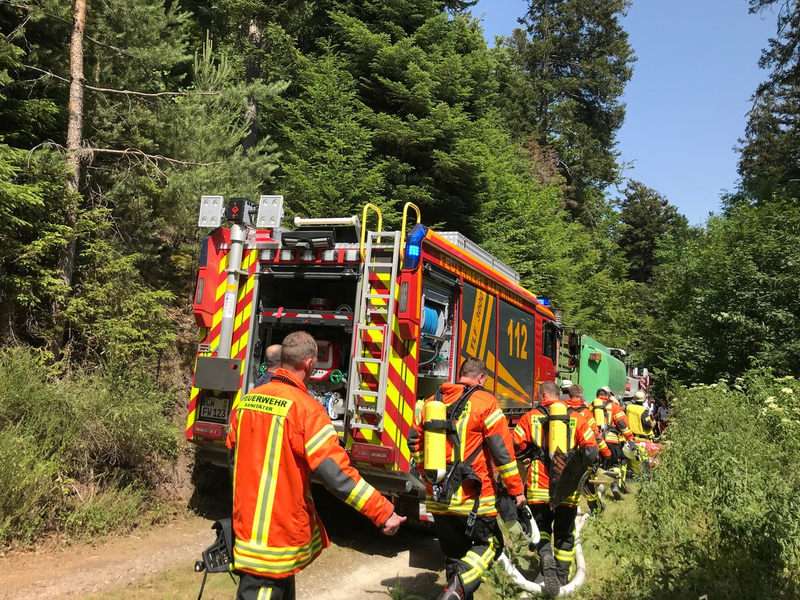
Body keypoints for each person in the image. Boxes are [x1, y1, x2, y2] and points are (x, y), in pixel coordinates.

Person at [226, 331, 405, 600]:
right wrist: (382, 512)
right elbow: (337, 474)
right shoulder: (306, 410)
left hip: (247, 529)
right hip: (275, 540)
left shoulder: (246, 402)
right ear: (310, 364)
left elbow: (233, 461)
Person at [408, 358, 525, 600]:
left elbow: (414, 442)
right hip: (474, 499)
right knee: (492, 545)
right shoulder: (486, 403)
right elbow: (502, 453)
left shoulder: (432, 402)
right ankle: (455, 590)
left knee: (455, 555)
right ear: (481, 378)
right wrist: (516, 490)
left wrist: (426, 474)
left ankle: (455, 592)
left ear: (461, 375)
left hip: (439, 497)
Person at [513, 381, 600, 597]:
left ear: (543, 396)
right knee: (565, 533)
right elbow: (591, 450)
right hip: (567, 488)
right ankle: (561, 578)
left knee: (541, 528)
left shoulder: (530, 417)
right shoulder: (577, 418)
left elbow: (515, 446)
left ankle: (545, 556)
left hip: (538, 486)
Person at [565, 384, 611, 513]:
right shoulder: (585, 413)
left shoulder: (562, 409)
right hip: (582, 454)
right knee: (588, 483)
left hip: (563, 453)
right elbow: (595, 434)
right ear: (580, 396)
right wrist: (606, 452)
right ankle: (595, 508)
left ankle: (566, 509)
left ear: (569, 395)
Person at [591, 387, 635, 500]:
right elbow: (622, 424)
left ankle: (594, 488)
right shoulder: (615, 407)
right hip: (611, 440)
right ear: (608, 395)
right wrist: (630, 438)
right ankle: (615, 485)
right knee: (614, 464)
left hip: (596, 440)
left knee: (596, 464)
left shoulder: (591, 407)